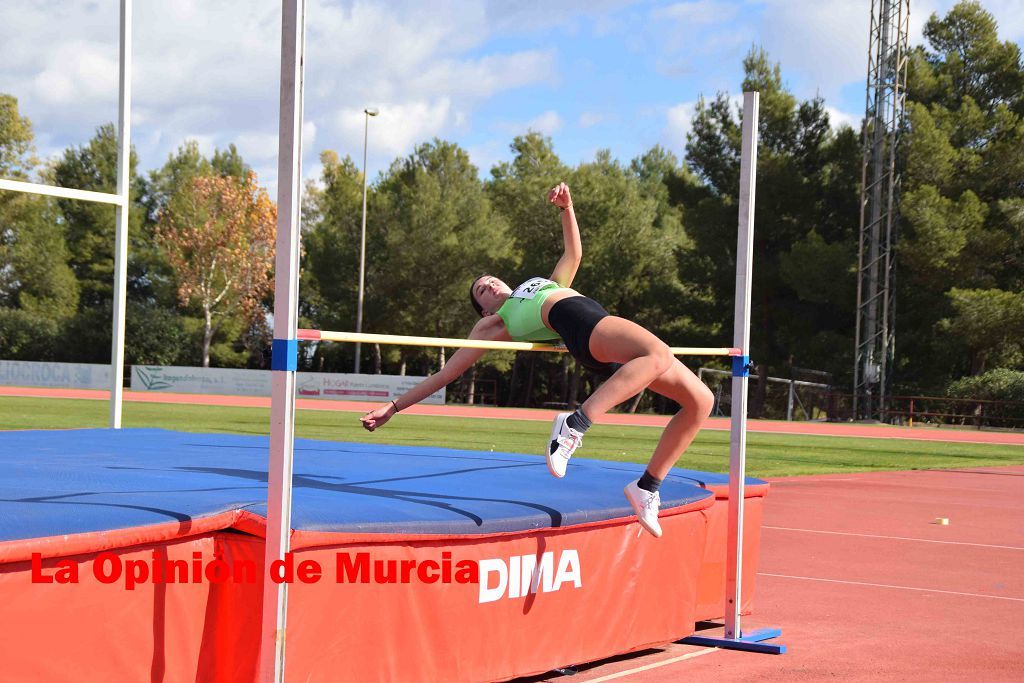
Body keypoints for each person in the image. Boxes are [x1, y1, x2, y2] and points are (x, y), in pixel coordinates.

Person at [360, 182, 714, 537]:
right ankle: (574, 425)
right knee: (658, 352)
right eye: (483, 289)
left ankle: (647, 486)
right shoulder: (494, 323)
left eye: (491, 279)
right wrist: (394, 406)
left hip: (593, 325)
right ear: (483, 308)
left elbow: (573, 255)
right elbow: (447, 373)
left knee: (701, 400)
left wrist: (566, 208)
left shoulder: (537, 286)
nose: (491, 284)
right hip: (579, 322)